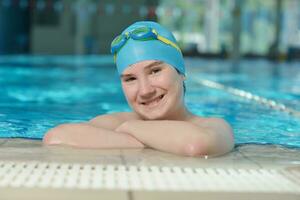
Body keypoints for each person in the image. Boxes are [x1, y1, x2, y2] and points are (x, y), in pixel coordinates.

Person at [43, 21, 234, 157]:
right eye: (130, 79)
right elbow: (56, 137)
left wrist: (130, 128)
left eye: (155, 71)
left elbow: (196, 146)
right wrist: (160, 141)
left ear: (181, 71)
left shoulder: (213, 125)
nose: (145, 91)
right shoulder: (114, 121)